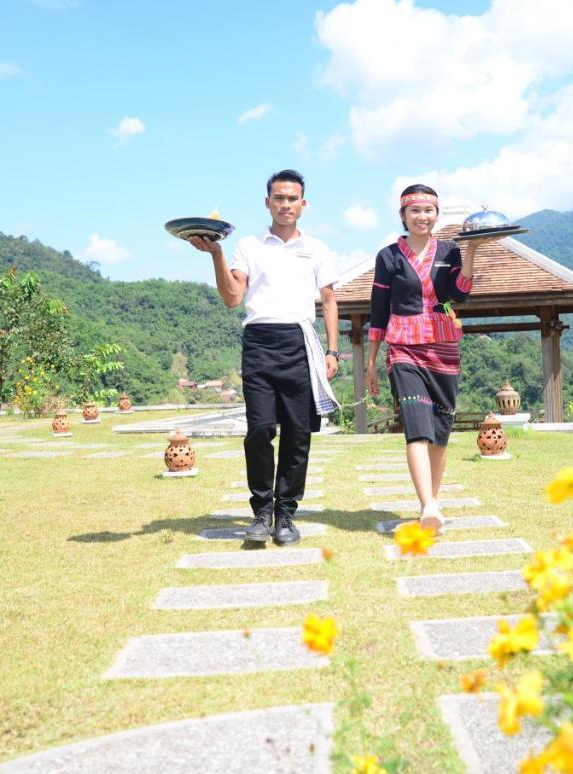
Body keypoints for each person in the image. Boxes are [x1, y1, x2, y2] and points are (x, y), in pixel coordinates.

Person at [188, 169, 339, 546]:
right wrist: (217, 253)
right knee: (259, 431)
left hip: (300, 341)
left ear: (303, 204)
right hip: (259, 341)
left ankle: (286, 513)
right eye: (278, 198)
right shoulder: (249, 247)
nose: (285, 204)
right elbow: (232, 297)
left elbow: (330, 300)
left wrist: (332, 350)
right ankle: (261, 512)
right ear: (267, 202)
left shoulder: (317, 248)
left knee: (298, 433)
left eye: (292, 199)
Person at [364, 184, 490, 533]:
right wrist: (371, 361)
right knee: (416, 423)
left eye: (429, 210)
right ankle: (427, 505)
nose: (422, 217)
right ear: (403, 215)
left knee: (440, 429)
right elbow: (378, 311)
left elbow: (459, 295)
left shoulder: (450, 251)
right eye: (415, 211)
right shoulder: (388, 256)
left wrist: (473, 251)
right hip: (402, 346)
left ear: (437, 214)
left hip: (443, 346)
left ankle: (431, 503)